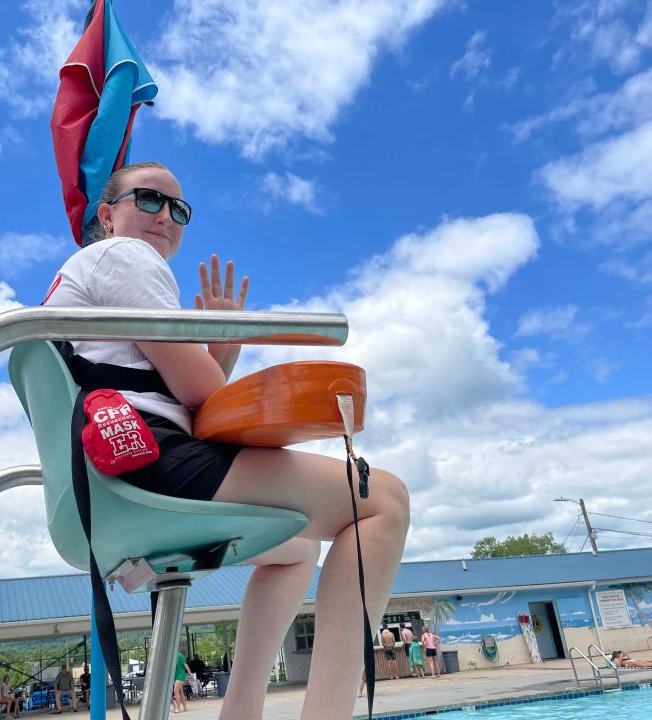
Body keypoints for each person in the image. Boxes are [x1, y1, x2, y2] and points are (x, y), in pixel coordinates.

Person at [43, 161, 410, 719]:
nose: (165, 216)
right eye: (147, 199)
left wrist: (219, 345)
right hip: (149, 466)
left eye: (178, 209)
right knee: (384, 500)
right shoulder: (125, 257)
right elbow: (202, 393)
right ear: (107, 214)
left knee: (297, 549)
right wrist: (223, 340)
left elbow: (196, 406)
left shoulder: (90, 276)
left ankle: (241, 713)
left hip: (112, 479)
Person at [171, 648, 191, 714]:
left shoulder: (179, 655)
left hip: (181, 675)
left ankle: (178, 708)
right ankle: (185, 707)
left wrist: (189, 673)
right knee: (180, 691)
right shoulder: (170, 656)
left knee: (175, 691)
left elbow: (185, 664)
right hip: (175, 676)